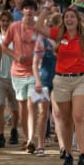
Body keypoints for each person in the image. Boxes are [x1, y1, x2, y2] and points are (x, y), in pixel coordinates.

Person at [35, 2, 84, 165]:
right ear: (63, 20)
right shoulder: (58, 34)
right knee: (66, 120)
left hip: (81, 79)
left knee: (78, 116)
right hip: (61, 81)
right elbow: (38, 27)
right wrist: (46, 8)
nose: (69, 19)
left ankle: (83, 154)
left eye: (72, 17)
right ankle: (68, 153)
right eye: (66, 17)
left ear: (77, 20)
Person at [1, 0, 42, 154]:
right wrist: (16, 56)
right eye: (26, 8)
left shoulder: (39, 27)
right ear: (22, 10)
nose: (29, 11)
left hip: (34, 71)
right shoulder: (14, 27)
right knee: (22, 106)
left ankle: (32, 139)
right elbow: (3, 46)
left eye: (32, 8)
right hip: (17, 72)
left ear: (35, 10)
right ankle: (26, 137)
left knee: (32, 105)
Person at [32, 12, 63, 156]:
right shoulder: (42, 39)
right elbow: (35, 64)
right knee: (43, 113)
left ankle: (63, 146)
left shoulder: (64, 40)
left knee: (58, 113)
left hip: (58, 79)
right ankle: (40, 144)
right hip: (43, 80)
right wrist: (37, 80)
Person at [0, 10, 20, 147]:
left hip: (14, 76)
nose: (5, 23)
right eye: (2, 20)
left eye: (7, 20)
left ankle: (14, 131)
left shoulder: (16, 37)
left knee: (15, 108)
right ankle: (0, 135)